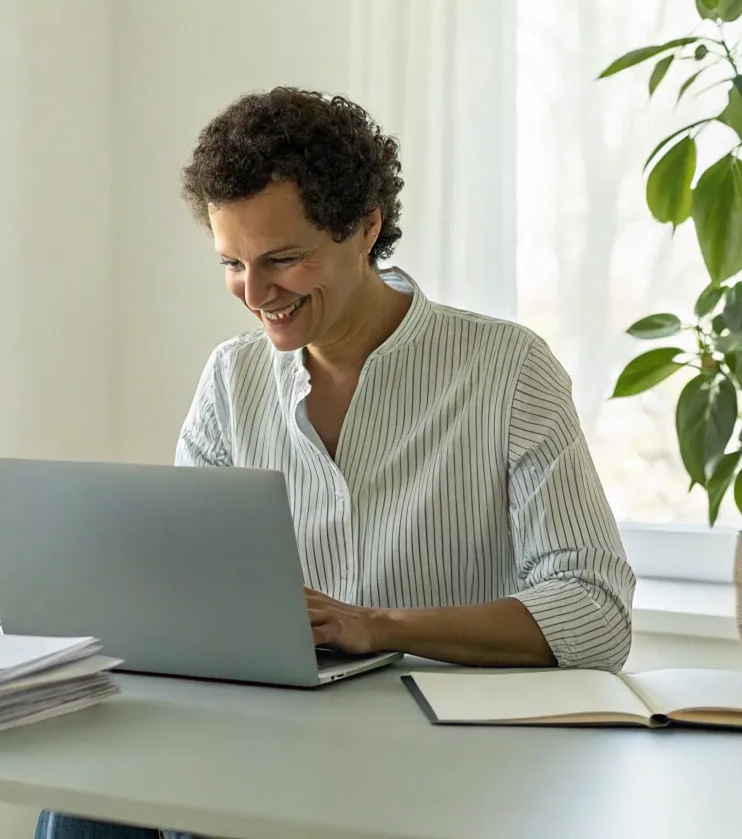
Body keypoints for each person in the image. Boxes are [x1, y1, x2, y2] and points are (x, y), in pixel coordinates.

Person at [35, 87, 635, 839]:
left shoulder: (507, 370)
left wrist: (379, 626)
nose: (255, 294)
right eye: (232, 264)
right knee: (88, 792)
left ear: (365, 228)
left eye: (282, 260)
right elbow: (192, 591)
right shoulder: (233, 380)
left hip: (441, 759)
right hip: (268, 744)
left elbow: (595, 611)